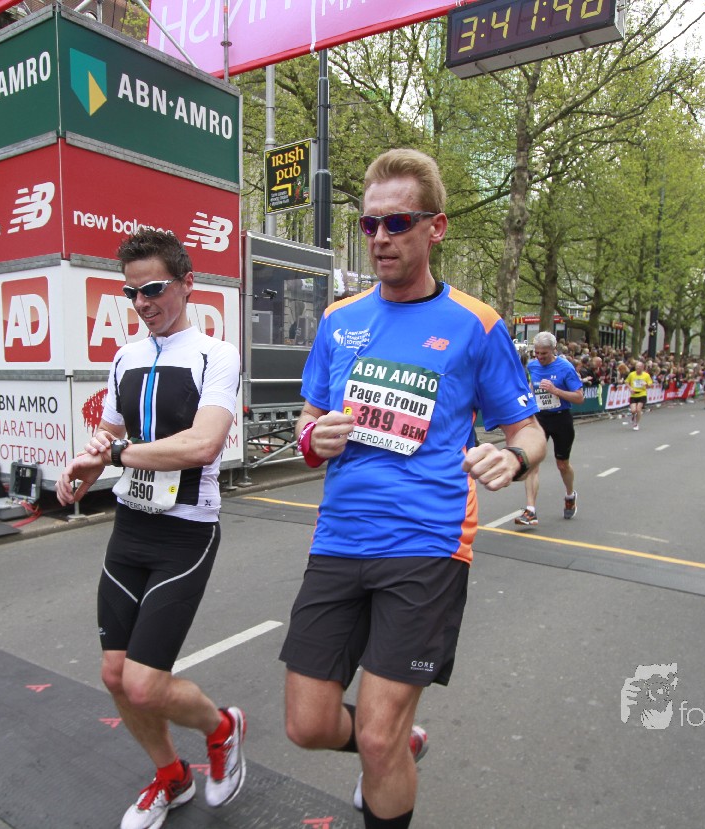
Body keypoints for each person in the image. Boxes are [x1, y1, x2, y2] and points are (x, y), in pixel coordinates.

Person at [280, 148, 545, 829]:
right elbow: (308, 422)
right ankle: (400, 746)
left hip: (428, 543)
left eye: (397, 222)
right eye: (369, 224)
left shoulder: (476, 323)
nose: (380, 238)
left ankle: (388, 752)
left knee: (376, 736)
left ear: (436, 227)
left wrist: (513, 458)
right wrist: (314, 439)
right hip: (339, 539)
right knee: (307, 724)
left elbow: (528, 429)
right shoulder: (339, 320)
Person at [55, 229, 246, 829]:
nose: (142, 303)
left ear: (187, 285)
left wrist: (115, 455)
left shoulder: (217, 355)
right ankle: (172, 776)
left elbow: (203, 444)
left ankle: (222, 727)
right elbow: (110, 434)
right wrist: (87, 463)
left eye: (154, 289)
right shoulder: (125, 357)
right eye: (131, 293)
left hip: (186, 533)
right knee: (115, 674)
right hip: (130, 527)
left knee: (143, 684)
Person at [516, 331, 583, 525]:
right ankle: (530, 510)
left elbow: (579, 397)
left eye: (544, 353)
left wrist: (555, 390)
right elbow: (532, 386)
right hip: (540, 419)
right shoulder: (533, 366)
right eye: (536, 353)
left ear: (553, 350)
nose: (539, 357)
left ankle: (570, 495)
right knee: (532, 463)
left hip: (561, 419)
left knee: (562, 464)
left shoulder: (565, 368)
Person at [625, 360, 651, 431]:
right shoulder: (632, 374)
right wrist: (630, 388)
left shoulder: (646, 375)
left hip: (642, 394)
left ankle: (636, 424)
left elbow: (650, 386)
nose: (637, 368)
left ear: (642, 367)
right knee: (633, 410)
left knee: (638, 409)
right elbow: (626, 382)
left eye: (639, 367)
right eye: (636, 367)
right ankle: (633, 416)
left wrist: (646, 384)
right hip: (633, 395)